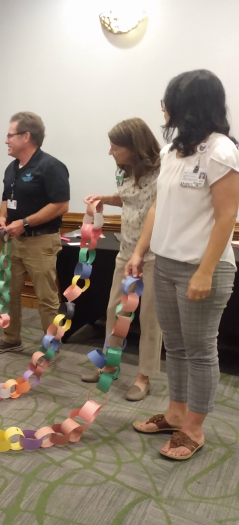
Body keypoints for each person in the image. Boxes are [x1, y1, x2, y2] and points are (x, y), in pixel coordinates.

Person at [129, 70, 239, 460]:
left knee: (200, 350)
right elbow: (159, 206)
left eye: (170, 100)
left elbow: (227, 216)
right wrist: (140, 252)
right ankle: (175, 413)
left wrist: (205, 271)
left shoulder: (220, 150)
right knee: (173, 347)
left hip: (202, 267)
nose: (164, 108)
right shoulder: (172, 152)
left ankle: (194, 428)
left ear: (190, 106)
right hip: (167, 262)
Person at [81, 118, 163, 401]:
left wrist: (141, 253)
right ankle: (110, 366)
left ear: (134, 146)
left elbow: (155, 209)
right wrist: (106, 198)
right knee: (115, 313)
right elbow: (130, 199)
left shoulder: (162, 171)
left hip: (154, 255)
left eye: (115, 146)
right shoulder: (124, 170)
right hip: (126, 252)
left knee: (150, 319)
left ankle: (144, 377)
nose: (110, 152)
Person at [0, 112, 70, 355]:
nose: (6, 140)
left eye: (10, 135)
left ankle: (51, 346)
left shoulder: (51, 166)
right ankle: (11, 339)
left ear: (26, 137)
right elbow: (6, 199)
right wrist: (3, 217)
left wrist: (25, 222)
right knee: (8, 293)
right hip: (13, 241)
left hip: (41, 241)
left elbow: (61, 205)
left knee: (46, 298)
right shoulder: (12, 168)